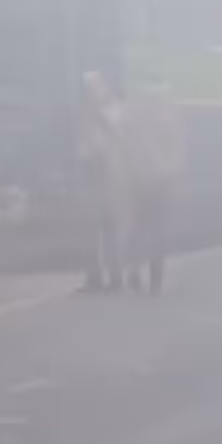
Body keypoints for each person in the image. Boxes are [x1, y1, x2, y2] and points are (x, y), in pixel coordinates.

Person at [120, 75, 187, 296]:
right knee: (155, 229)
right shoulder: (167, 115)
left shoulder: (137, 113)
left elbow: (128, 144)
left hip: (145, 179)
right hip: (156, 179)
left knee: (142, 227)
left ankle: (138, 273)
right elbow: (177, 150)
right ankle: (152, 278)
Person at [77, 71, 130, 292]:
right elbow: (83, 143)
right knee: (90, 229)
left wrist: (100, 118)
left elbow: (121, 138)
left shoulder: (116, 110)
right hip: (91, 174)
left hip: (113, 176)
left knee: (112, 228)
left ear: (106, 88)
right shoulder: (84, 114)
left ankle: (116, 276)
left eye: (96, 87)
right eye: (88, 88)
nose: (92, 92)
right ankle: (94, 276)